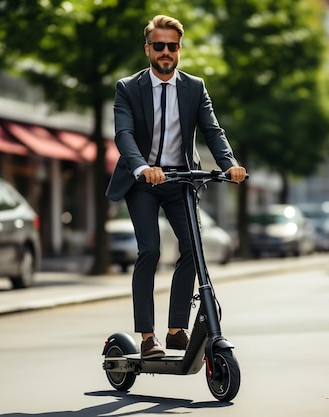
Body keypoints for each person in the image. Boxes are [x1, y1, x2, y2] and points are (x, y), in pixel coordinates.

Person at [106, 14, 247, 359]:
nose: (165, 51)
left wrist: (229, 165)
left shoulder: (194, 87)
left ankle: (175, 329)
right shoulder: (128, 87)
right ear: (148, 50)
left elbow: (213, 131)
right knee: (150, 250)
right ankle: (147, 337)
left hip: (181, 179)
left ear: (179, 49)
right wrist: (141, 167)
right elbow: (124, 134)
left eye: (172, 46)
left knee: (192, 249)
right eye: (159, 46)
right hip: (143, 182)